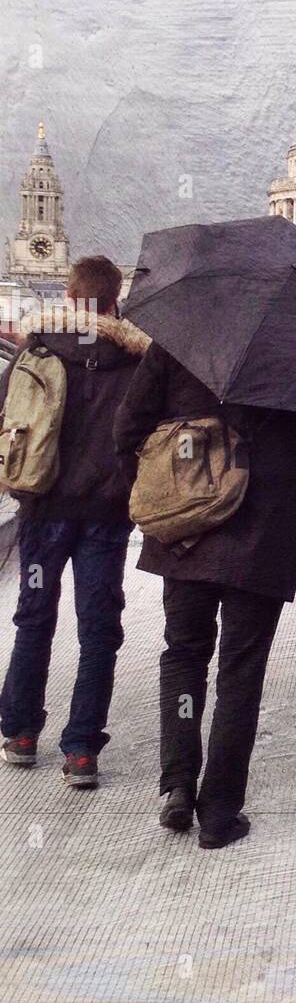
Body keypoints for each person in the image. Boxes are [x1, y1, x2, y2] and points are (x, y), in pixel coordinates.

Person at [114, 343, 296, 849]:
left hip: (188, 531)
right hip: (263, 537)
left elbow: (127, 431)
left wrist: (170, 494)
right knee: (240, 672)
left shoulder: (180, 341)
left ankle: (177, 785)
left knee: (183, 656)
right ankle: (218, 812)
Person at [0, 256, 149, 787]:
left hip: (43, 508)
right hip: (107, 515)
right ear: (115, 301)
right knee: (99, 630)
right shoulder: (137, 363)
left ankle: (19, 731)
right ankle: (81, 749)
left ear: (68, 295)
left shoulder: (34, 352)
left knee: (33, 618)